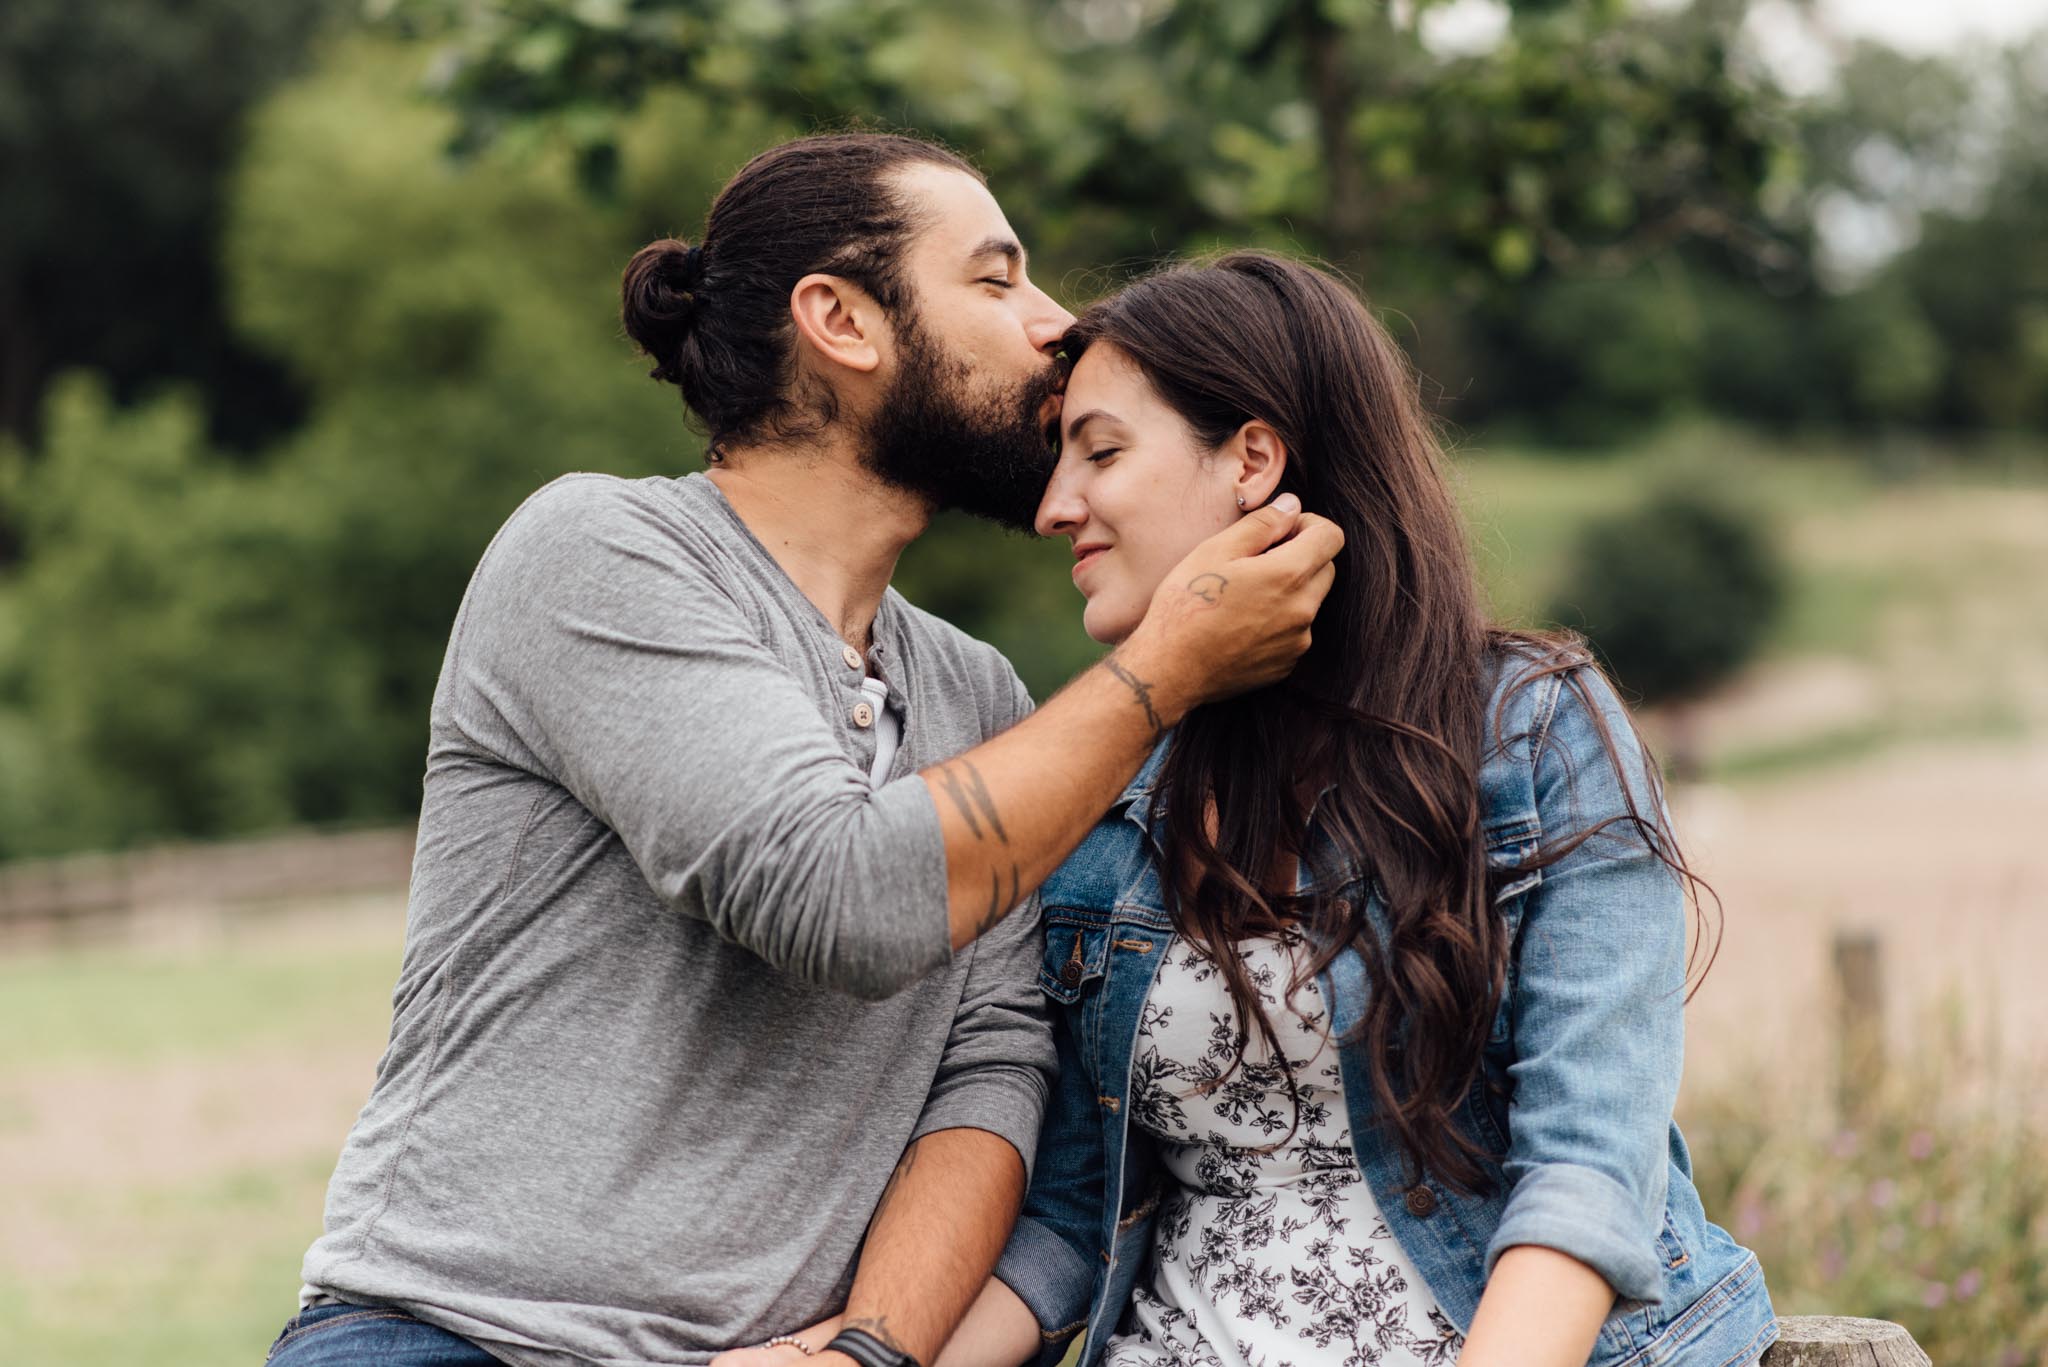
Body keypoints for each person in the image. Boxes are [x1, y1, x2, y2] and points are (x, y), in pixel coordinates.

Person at [267, 137, 1344, 1367]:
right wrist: (1163, 670)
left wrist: (867, 1354)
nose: (1054, 329)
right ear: (840, 320)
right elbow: (835, 892)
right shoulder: (595, 553)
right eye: (995, 281)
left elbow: (988, 1067)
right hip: (465, 1338)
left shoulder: (976, 691)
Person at [934, 252, 1779, 1367]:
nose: (1053, 507)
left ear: (1250, 458)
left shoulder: (1527, 730)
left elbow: (1585, 1167)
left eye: (1100, 450)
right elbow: (1071, 1217)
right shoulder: (1110, 785)